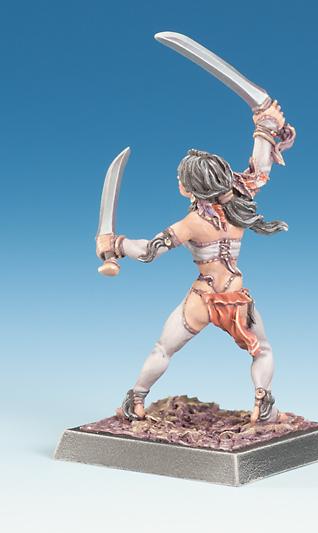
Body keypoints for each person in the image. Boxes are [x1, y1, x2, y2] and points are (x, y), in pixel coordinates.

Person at [96, 99, 296, 423]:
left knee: (162, 349)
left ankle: (136, 399)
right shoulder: (240, 202)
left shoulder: (192, 223)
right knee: (263, 350)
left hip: (202, 299)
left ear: (188, 188)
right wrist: (265, 128)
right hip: (236, 299)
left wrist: (115, 244)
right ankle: (263, 400)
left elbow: (148, 251)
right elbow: (261, 170)